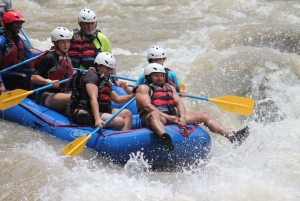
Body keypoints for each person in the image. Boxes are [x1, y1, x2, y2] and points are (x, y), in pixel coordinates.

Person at [134, 63, 249, 152]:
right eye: (156, 75)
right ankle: (165, 138)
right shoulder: (143, 88)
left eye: (161, 75)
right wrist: (167, 116)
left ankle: (232, 136)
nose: (159, 78)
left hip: (173, 117)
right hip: (158, 118)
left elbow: (179, 103)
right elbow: (147, 107)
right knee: (154, 114)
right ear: (148, 77)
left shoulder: (170, 88)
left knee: (203, 115)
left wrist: (182, 117)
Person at [69, 52, 134, 130]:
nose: (109, 71)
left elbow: (117, 99)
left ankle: (123, 138)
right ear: (98, 66)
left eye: (111, 69)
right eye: (107, 68)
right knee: (120, 121)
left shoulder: (104, 78)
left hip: (101, 111)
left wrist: (133, 95)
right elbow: (93, 99)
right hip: (84, 112)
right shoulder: (91, 77)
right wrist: (97, 119)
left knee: (127, 113)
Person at [31, 27, 73, 115]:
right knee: (72, 98)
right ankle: (71, 118)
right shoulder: (49, 57)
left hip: (62, 92)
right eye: (62, 42)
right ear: (56, 43)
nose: (66, 45)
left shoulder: (66, 56)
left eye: (68, 41)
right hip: (46, 95)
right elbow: (33, 77)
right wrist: (48, 81)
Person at [0, 10, 33, 94]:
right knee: (22, 77)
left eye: (20, 24)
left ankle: (36, 97)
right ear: (8, 25)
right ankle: (29, 100)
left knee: (33, 73)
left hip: (12, 71)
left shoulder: (18, 39)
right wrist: (1, 84)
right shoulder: (1, 41)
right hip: (2, 74)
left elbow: (30, 56)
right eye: (17, 24)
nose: (20, 26)